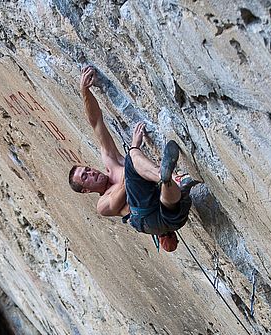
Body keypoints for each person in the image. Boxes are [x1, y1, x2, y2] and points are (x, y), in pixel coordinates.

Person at [69, 66, 197, 252]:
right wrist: (134, 148)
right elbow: (120, 193)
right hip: (150, 220)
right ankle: (168, 177)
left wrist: (85, 91)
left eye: (87, 169)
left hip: (171, 210)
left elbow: (96, 122)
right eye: (85, 176)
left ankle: (170, 179)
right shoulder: (102, 204)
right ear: (86, 190)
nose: (91, 172)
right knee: (131, 159)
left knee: (167, 194)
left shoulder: (111, 161)